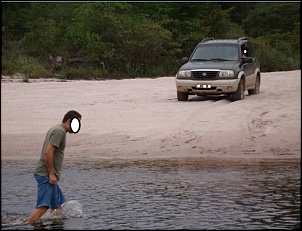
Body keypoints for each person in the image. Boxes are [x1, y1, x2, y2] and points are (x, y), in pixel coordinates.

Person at [26, 110, 82, 224]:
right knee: (43, 207)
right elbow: (48, 152)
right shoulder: (59, 132)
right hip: (45, 174)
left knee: (58, 205)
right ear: (69, 121)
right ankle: (28, 224)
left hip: (49, 175)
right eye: (77, 123)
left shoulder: (57, 129)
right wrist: (51, 174)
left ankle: (55, 224)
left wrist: (55, 175)